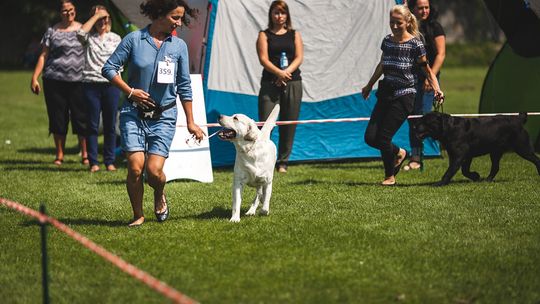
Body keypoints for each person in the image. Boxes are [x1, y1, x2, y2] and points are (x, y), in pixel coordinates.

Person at [102, 0, 204, 226]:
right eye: (175, 18)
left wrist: (191, 121)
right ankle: (138, 215)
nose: (178, 23)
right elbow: (108, 68)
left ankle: (159, 193)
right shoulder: (134, 40)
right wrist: (130, 92)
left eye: (180, 18)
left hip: (164, 116)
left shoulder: (179, 46)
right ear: (159, 14)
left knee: (154, 171)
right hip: (133, 113)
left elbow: (184, 85)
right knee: (135, 167)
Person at [361, 4, 444, 186]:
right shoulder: (388, 41)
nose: (395, 26)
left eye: (398, 22)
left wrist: (437, 88)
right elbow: (382, 65)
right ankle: (400, 152)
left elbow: (427, 70)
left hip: (405, 95)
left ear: (407, 22)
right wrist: (369, 85)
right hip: (386, 93)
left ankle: (389, 177)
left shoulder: (415, 44)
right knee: (370, 137)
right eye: (392, 22)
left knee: (383, 138)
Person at [30, 0, 89, 166]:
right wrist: (34, 77)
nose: (68, 13)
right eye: (64, 10)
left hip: (79, 80)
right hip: (53, 80)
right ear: (59, 12)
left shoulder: (83, 29)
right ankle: (59, 155)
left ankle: (85, 154)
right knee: (57, 117)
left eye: (71, 10)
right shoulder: (52, 31)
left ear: (75, 11)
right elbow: (43, 55)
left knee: (81, 117)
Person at [256, 0, 304, 173]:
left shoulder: (294, 34)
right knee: (265, 122)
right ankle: (262, 160)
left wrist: (286, 73)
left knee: (289, 123)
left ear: (287, 15)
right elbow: (263, 59)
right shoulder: (264, 34)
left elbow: (299, 57)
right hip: (270, 83)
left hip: (293, 82)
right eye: (276, 12)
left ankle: (283, 162)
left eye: (282, 13)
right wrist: (278, 73)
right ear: (271, 14)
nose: (279, 16)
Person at [77, 5, 122, 173]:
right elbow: (80, 33)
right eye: (98, 18)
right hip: (91, 85)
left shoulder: (116, 38)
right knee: (93, 125)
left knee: (111, 125)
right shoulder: (88, 37)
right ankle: (93, 162)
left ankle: (109, 161)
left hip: (111, 85)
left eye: (105, 17)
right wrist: (96, 16)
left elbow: (121, 61)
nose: (102, 21)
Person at [404, 0, 446, 171]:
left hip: (429, 79)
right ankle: (415, 156)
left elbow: (441, 54)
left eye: (426, 7)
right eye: (420, 8)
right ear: (413, 9)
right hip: (411, 79)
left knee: (425, 118)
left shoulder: (435, 27)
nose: (424, 11)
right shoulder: (408, 27)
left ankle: (445, 145)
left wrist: (431, 78)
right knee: (412, 118)